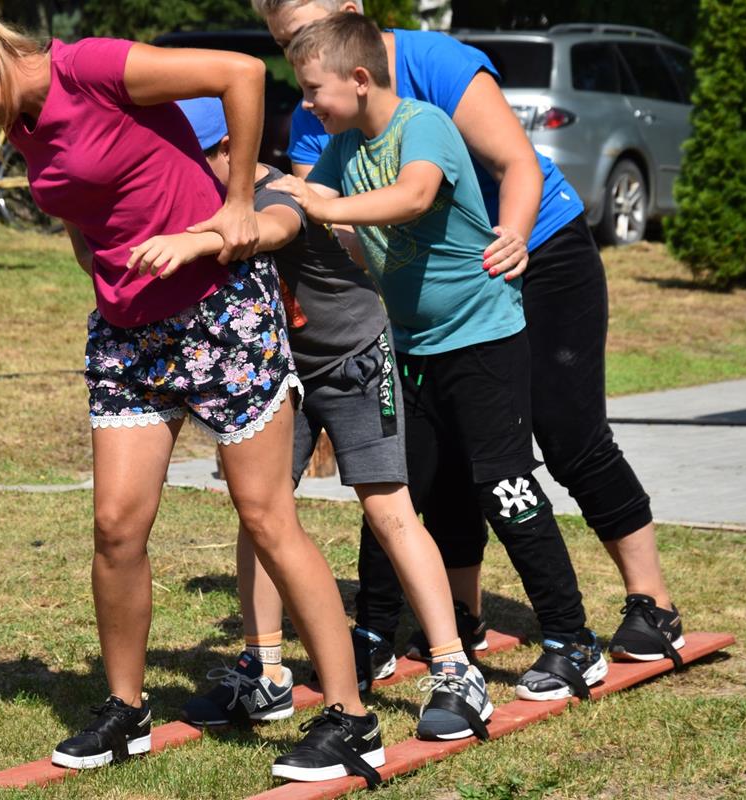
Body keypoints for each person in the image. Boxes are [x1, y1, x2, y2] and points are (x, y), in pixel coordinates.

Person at [0, 0, 383, 784]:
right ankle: (126, 711)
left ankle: (353, 720)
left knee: (266, 517)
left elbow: (241, 73)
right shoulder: (21, 123)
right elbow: (84, 206)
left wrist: (235, 205)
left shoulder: (91, 68)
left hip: (219, 312)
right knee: (116, 526)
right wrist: (101, 267)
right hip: (128, 335)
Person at [254, 0, 685, 673]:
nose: (295, 56)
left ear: (349, 15)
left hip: (524, 251)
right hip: (427, 320)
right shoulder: (329, 117)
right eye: (285, 41)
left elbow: (500, 169)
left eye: (304, 34)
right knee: (419, 471)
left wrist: (513, 235)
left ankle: (642, 607)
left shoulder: (430, 76)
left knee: (562, 439)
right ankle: (451, 617)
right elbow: (324, 217)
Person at [127, 96, 492, 743]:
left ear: (227, 151)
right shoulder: (189, 202)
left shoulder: (277, 193)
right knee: (261, 512)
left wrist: (194, 240)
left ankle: (455, 669)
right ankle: (264, 669)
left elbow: (268, 230)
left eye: (189, 158)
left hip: (353, 359)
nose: (176, 172)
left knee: (388, 508)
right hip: (275, 368)